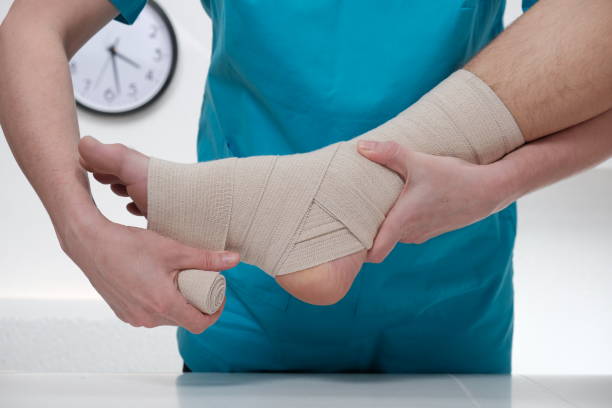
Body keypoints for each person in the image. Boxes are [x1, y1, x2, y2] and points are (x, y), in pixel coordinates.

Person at [1, 0, 611, 373]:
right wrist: (81, 232)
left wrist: (497, 185)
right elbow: (31, 24)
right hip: (250, 301)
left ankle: (332, 192)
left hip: (449, 289)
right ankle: (330, 196)